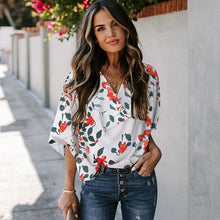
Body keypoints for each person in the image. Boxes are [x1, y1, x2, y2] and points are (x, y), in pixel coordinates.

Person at [48, 0, 162, 219]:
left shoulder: (147, 75)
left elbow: (140, 127)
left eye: (115, 24)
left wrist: (155, 150)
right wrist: (68, 190)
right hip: (97, 180)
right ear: (93, 36)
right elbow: (71, 138)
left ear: (125, 26)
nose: (110, 33)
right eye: (100, 29)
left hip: (140, 177)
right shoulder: (79, 80)